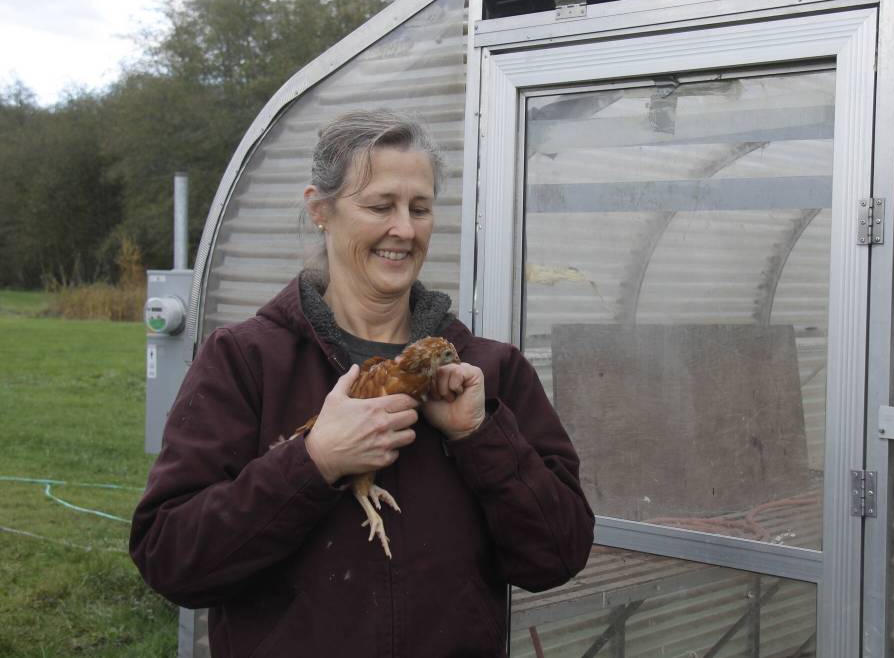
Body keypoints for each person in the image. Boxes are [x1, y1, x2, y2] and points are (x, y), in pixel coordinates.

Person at [130, 109, 594, 657]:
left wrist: (480, 438)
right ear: (320, 209)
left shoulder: (488, 372)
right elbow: (171, 558)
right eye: (380, 206)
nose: (405, 229)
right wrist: (314, 461)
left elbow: (557, 556)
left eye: (420, 209)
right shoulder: (248, 361)